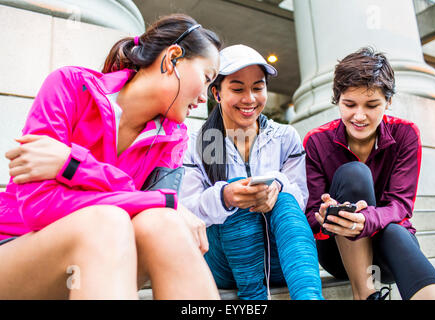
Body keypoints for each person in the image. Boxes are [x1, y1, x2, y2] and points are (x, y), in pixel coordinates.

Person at [0, 14, 221, 299]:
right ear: (172, 59)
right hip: (15, 251)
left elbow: (157, 213)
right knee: (108, 220)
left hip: (102, 263)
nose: (206, 96)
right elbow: (38, 206)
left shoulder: (174, 137)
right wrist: (159, 200)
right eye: (206, 78)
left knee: (163, 223)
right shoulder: (69, 85)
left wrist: (71, 165)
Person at [303, 47, 435, 300]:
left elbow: (401, 205)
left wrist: (367, 220)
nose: (359, 116)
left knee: (394, 230)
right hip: (338, 252)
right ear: (337, 99)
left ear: (388, 102)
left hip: (388, 253)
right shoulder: (317, 141)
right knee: (354, 173)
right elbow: (310, 214)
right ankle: (365, 295)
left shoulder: (405, 134)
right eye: (349, 104)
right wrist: (326, 216)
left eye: (372, 105)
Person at [179, 44, 323, 300]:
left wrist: (277, 187)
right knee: (236, 191)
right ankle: (254, 299)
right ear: (217, 93)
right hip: (222, 263)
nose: (250, 99)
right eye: (237, 89)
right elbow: (187, 211)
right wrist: (225, 197)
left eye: (258, 87)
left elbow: (300, 199)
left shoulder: (285, 136)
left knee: (286, 198)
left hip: (280, 258)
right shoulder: (195, 142)